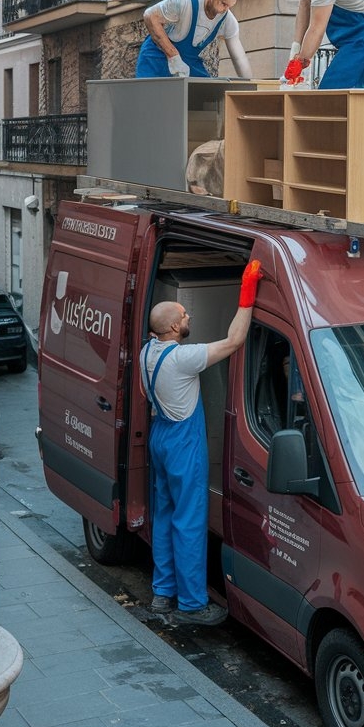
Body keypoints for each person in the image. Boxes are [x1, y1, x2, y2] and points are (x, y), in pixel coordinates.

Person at [139, 260, 264, 626]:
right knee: (189, 521)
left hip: (160, 435)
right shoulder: (183, 358)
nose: (188, 315)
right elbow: (235, 341)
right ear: (173, 328)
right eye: (184, 314)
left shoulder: (148, 353)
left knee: (164, 516)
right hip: (182, 443)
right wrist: (247, 294)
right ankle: (192, 604)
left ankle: (162, 593)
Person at [135, 0, 253, 80]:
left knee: (208, 90)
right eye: (223, 4)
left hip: (188, 61)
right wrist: (173, 57)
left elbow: (239, 59)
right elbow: (149, 16)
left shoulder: (228, 21)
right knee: (152, 93)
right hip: (154, 59)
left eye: (230, 6)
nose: (225, 10)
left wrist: (252, 87)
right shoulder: (184, 1)